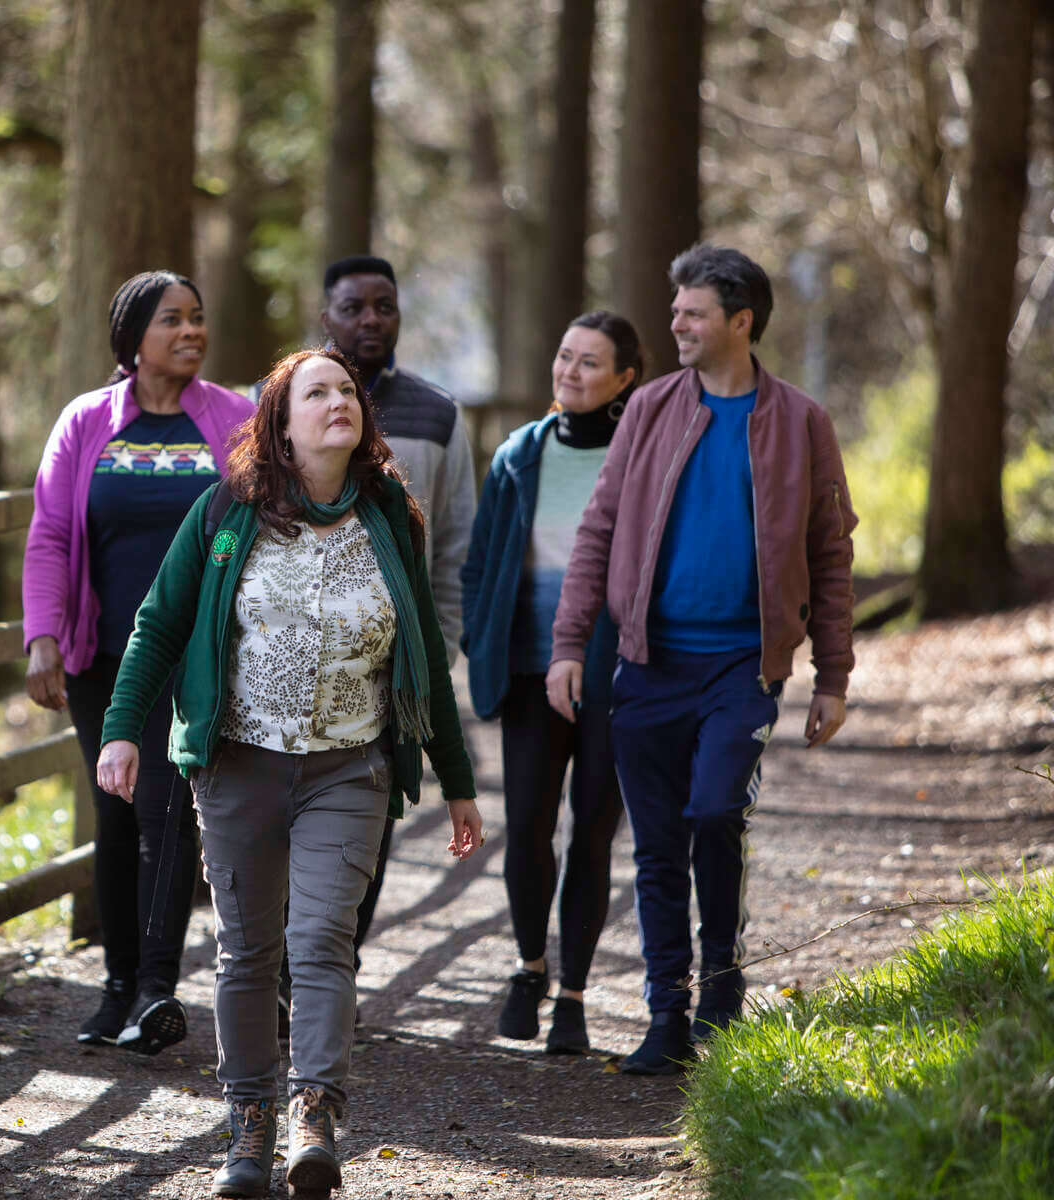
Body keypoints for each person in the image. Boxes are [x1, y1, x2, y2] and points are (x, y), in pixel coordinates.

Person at [95, 347, 482, 1198]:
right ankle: (248, 1125)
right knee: (247, 953)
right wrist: (122, 730)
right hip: (238, 765)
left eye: (348, 391)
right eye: (319, 392)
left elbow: (420, 652)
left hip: (350, 767)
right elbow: (157, 623)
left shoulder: (389, 518)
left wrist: (456, 781)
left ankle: (315, 1113)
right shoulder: (225, 515)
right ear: (279, 421)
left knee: (320, 943)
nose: (340, 401)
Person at [546, 245, 858, 1075]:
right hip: (649, 668)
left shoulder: (800, 421)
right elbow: (599, 532)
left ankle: (721, 992)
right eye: (675, 310)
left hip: (742, 669)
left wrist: (833, 674)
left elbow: (830, 553)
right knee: (655, 849)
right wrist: (570, 644)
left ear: (740, 322)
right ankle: (666, 1016)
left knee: (716, 813)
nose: (675, 324)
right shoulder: (649, 410)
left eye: (692, 313)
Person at [22, 269, 254, 1054]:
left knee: (160, 803)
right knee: (116, 814)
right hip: (104, 658)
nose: (190, 332)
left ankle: (155, 986)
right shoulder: (87, 421)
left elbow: (268, 519)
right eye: (171, 321)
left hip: (198, 658)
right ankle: (118, 986)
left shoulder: (234, 417)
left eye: (198, 318)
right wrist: (42, 634)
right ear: (132, 339)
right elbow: (51, 532)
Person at [461, 311, 642, 1055]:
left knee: (592, 833)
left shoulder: (639, 457)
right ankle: (529, 968)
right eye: (565, 357)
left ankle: (573, 994)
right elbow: (480, 563)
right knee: (529, 828)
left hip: (612, 677)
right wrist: (481, 640)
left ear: (624, 379)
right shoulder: (518, 455)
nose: (569, 372)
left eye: (589, 363)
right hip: (531, 669)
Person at [316, 254, 477, 956]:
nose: (371, 320)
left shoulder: (436, 415)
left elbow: (455, 547)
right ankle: (299, 968)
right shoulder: (279, 399)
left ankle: (332, 965)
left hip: (393, 665)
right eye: (354, 307)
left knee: (370, 815)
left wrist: (433, 649)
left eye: (384, 305)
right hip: (294, 659)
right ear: (327, 316)